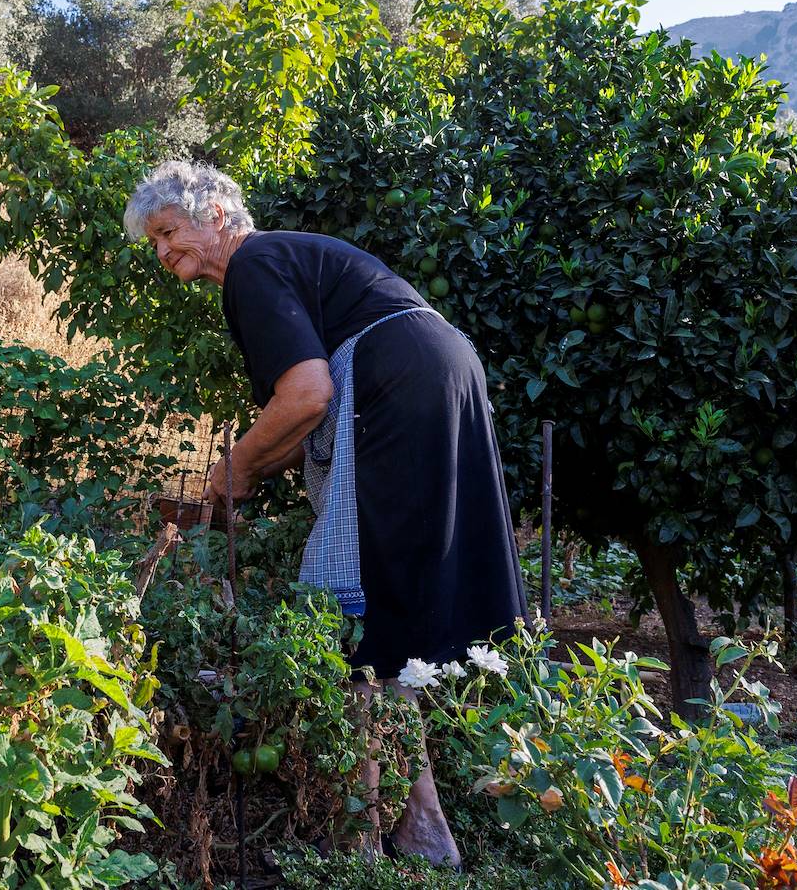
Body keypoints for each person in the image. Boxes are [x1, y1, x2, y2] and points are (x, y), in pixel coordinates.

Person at [123, 159, 528, 868]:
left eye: (166, 232)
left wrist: (235, 466)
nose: (160, 253)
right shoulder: (282, 261)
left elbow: (306, 396)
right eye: (152, 243)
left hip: (397, 380)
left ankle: (380, 831)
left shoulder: (253, 264)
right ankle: (421, 818)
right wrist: (237, 477)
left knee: (366, 601)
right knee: (408, 592)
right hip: (441, 368)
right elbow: (296, 420)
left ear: (215, 215)